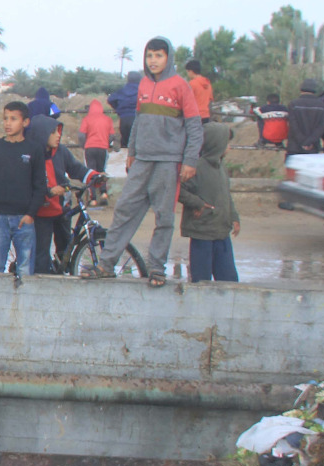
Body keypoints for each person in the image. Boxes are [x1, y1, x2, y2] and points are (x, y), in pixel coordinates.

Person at [82, 36, 204, 287]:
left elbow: (194, 125)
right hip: (142, 160)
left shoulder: (181, 86)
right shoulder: (144, 85)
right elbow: (138, 121)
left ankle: (157, 269)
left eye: (159, 55)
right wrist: (132, 152)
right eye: (149, 56)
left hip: (169, 161)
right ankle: (106, 264)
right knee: (124, 210)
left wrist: (190, 160)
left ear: (168, 57)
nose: (153, 60)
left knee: (164, 217)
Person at [0, 101, 46, 275]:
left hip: (23, 220)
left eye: (13, 119)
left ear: (25, 122)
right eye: (5, 118)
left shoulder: (34, 150)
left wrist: (30, 214)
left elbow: (40, 186)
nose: (8, 123)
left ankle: (23, 294)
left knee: (25, 269)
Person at [178, 122, 240, 282]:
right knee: (201, 279)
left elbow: (226, 195)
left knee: (228, 279)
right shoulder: (195, 167)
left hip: (222, 230)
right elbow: (178, 190)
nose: (229, 147)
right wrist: (197, 203)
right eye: (226, 143)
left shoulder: (221, 167)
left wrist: (234, 217)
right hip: (202, 231)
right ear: (216, 145)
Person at [28, 116, 86, 273]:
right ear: (42, 134)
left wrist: (93, 176)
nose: (58, 135)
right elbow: (28, 183)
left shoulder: (61, 151)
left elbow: (76, 169)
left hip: (62, 208)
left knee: (65, 247)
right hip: (42, 211)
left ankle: (62, 270)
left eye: (59, 131)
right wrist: (49, 191)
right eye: (53, 132)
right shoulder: (31, 155)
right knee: (41, 253)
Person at [286, 79, 324, 155]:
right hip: (313, 147)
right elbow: (322, 126)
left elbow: (293, 125)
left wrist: (302, 141)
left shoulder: (293, 104)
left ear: (301, 89)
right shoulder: (322, 105)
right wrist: (310, 141)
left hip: (294, 146)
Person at [78, 99, 114, 181]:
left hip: (89, 148)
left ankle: (92, 188)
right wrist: (106, 143)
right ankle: (102, 188)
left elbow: (81, 135)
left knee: (90, 172)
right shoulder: (108, 119)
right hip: (102, 148)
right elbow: (112, 136)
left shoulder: (86, 119)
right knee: (101, 171)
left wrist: (84, 146)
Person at [108, 71, 140, 150]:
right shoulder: (142, 91)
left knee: (125, 144)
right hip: (137, 119)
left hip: (124, 119)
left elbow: (110, 99)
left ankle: (125, 156)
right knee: (137, 144)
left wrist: (118, 108)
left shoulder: (122, 90)